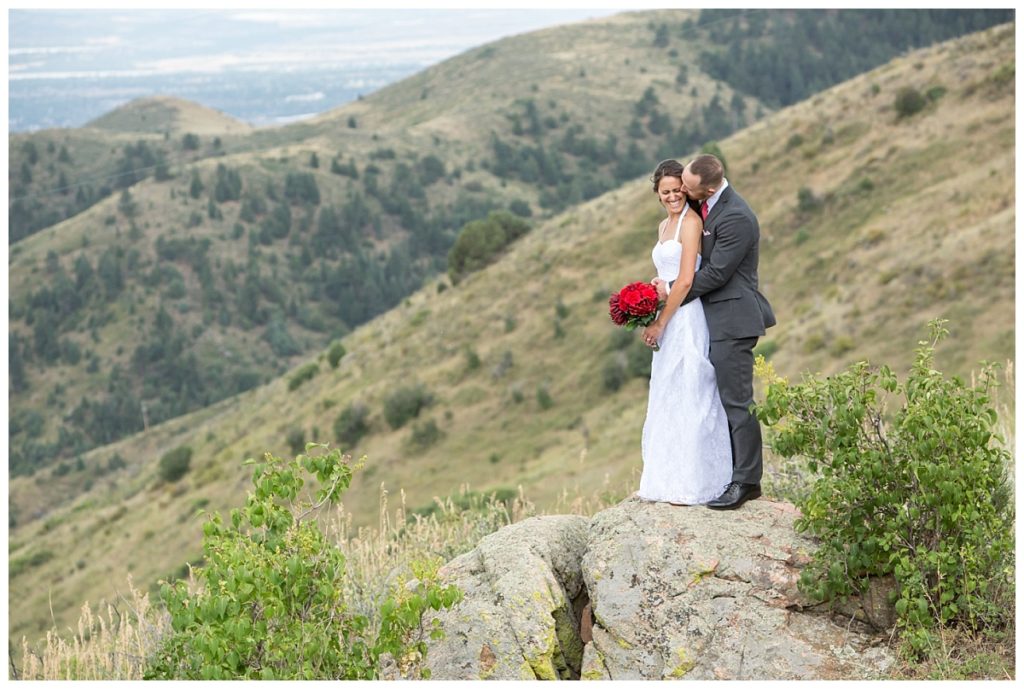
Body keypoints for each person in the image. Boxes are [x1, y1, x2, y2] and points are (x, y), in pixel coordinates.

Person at [652, 153, 775, 510]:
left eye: (688, 189)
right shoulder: (708, 204)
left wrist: (670, 290)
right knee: (717, 401)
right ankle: (723, 472)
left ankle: (747, 481)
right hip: (708, 318)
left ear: (707, 187)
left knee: (737, 403)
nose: (684, 195)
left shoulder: (737, 217)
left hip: (734, 319)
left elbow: (717, 274)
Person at [637, 159, 732, 506]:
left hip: (686, 315)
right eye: (666, 192)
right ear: (657, 194)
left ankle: (696, 481)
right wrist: (650, 297)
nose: (673, 196)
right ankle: (666, 478)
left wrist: (662, 321)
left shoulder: (691, 223)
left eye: (678, 190)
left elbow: (688, 278)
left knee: (692, 390)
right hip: (669, 311)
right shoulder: (664, 225)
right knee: (667, 391)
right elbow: (665, 272)